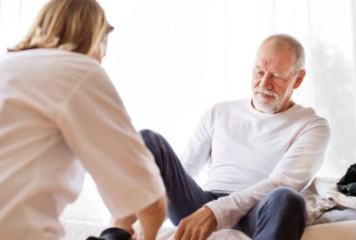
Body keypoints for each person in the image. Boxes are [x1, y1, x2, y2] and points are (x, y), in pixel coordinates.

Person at [0, 0, 166, 240]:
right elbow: (151, 202)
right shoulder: (78, 69)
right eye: (102, 49)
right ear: (95, 38)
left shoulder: (6, 65)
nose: (101, 59)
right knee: (120, 226)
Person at [139, 34, 331, 240]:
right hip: (203, 204)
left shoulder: (312, 126)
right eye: (259, 72)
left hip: (257, 211)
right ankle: (124, 228)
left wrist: (216, 213)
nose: (264, 83)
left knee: (288, 198)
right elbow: (185, 168)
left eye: (277, 76)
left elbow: (282, 182)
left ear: (298, 79)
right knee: (148, 140)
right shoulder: (219, 112)